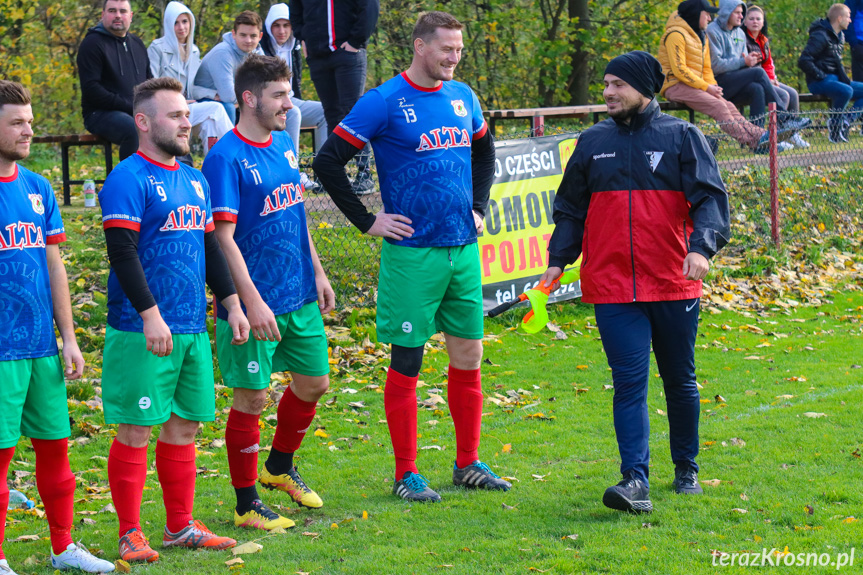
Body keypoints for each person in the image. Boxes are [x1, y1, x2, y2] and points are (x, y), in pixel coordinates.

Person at [313, 11, 505, 502]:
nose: (454, 58)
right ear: (420, 47)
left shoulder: (464, 98)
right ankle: (406, 474)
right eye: (446, 49)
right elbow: (327, 161)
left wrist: (479, 206)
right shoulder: (383, 101)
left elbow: (484, 153)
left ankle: (468, 464)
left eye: (459, 50)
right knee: (408, 362)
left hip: (462, 249)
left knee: (469, 355)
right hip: (411, 256)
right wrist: (367, 219)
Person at [541, 51, 731, 515]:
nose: (607, 92)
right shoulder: (590, 142)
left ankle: (686, 467)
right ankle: (634, 480)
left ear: (644, 88)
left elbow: (711, 200)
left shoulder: (683, 136)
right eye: (605, 84)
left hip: (672, 281)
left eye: (617, 85)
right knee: (628, 382)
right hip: (611, 286)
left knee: (679, 380)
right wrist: (557, 261)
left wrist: (702, 248)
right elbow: (570, 209)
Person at [99, 77, 250, 563]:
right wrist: (150, 316)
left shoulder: (194, 178)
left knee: (184, 428)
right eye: (176, 115)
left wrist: (230, 304)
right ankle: (128, 533)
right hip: (141, 328)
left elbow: (209, 247)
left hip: (190, 329)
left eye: (187, 115)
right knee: (135, 430)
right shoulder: (127, 177)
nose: (187, 123)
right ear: (143, 122)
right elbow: (122, 253)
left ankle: (180, 526)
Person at [202, 54, 335, 530]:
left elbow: (295, 213)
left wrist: (317, 271)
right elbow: (220, 237)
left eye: (289, 92)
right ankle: (245, 504)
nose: (288, 103)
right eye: (280, 95)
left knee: (314, 383)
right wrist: (249, 300)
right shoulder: (223, 158)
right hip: (253, 302)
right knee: (252, 398)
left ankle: (278, 467)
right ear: (249, 98)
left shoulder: (283, 144)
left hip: (298, 293)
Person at [0, 81, 116, 575]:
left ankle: (63, 547)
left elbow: (54, 265)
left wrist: (68, 337)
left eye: (29, 121)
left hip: (40, 348)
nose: (29, 129)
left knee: (57, 454)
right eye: (17, 122)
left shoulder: (38, 187)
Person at [657, 0, 793, 154]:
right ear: (696, 14)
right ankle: (755, 143)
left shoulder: (701, 35)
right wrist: (706, 87)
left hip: (696, 85)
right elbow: (679, 69)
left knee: (730, 107)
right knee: (719, 107)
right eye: (707, 14)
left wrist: (713, 87)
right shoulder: (675, 34)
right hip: (675, 85)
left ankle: (762, 137)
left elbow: (707, 68)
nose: (709, 18)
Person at [290, 0, 379, 195]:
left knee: (352, 111)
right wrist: (303, 38)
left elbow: (369, 7)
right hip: (318, 56)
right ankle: (334, 176)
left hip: (348, 54)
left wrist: (356, 41)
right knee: (331, 114)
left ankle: (365, 175)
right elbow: (295, 10)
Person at [707, 0, 808, 131]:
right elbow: (715, 65)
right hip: (718, 83)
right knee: (758, 73)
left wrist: (749, 62)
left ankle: (757, 138)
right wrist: (744, 62)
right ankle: (785, 117)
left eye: (742, 13)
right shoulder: (712, 31)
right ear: (727, 13)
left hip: (737, 81)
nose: (741, 16)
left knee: (757, 89)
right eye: (737, 13)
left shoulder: (739, 33)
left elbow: (745, 63)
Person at [148, 1, 233, 154]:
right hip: (167, 110)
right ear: (168, 24)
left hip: (187, 107)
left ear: (191, 22)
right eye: (176, 23)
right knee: (216, 109)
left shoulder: (193, 50)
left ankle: (214, 167)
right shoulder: (157, 48)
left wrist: (212, 94)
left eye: (185, 21)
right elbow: (152, 84)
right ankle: (238, 150)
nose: (181, 27)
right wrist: (175, 100)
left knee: (210, 125)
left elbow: (191, 86)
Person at [261, 3, 326, 192]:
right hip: (270, 103)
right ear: (269, 27)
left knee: (324, 111)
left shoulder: (295, 46)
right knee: (294, 113)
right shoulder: (260, 47)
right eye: (276, 25)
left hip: (291, 100)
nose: (282, 31)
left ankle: (324, 173)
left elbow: (294, 86)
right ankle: (292, 171)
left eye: (286, 25)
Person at [77, 0, 151, 161]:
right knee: (133, 129)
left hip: (135, 111)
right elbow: (92, 90)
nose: (118, 15)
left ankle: (172, 178)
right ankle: (129, 182)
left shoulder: (137, 44)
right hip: (99, 114)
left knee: (168, 123)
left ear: (130, 16)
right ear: (103, 15)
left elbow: (149, 83)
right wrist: (129, 106)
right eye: (112, 11)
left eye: (123, 11)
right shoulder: (92, 44)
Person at [744, 5, 810, 148]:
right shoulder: (743, 38)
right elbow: (747, 65)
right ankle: (777, 135)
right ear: (745, 21)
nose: (755, 21)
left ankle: (792, 133)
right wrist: (768, 81)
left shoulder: (763, 40)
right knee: (784, 95)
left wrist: (772, 79)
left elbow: (768, 64)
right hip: (752, 79)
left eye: (758, 19)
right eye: (751, 19)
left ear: (763, 22)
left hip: (765, 78)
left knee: (793, 93)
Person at [799, 3, 863, 143]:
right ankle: (834, 128)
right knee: (846, 91)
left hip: (835, 80)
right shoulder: (820, 35)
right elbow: (804, 60)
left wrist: (844, 78)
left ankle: (847, 120)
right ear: (839, 18)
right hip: (818, 82)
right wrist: (820, 75)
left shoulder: (840, 36)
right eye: (848, 17)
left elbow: (836, 63)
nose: (850, 20)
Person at [193, 11, 264, 124]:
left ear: (260, 36)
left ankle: (259, 142)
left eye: (253, 36)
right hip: (205, 98)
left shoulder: (257, 53)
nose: (248, 40)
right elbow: (228, 96)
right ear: (234, 34)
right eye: (243, 35)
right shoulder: (223, 53)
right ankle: (230, 142)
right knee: (229, 108)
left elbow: (263, 85)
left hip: (233, 98)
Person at [849, 0, 863, 81]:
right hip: (859, 43)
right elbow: (846, 19)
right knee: (860, 80)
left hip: (857, 42)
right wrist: (854, 42)